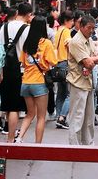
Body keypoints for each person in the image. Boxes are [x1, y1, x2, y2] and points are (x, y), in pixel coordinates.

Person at [18, 15, 58, 143]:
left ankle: (19, 138)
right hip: (40, 82)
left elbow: (23, 62)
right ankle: (37, 145)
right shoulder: (46, 43)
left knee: (29, 114)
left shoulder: (26, 44)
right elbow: (53, 61)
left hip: (25, 82)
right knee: (41, 117)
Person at [0, 3, 32, 143]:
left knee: (5, 105)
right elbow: (30, 52)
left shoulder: (4, 27)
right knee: (14, 108)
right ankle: (10, 139)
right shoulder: (28, 29)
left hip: (4, 69)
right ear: (28, 14)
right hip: (21, 70)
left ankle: (4, 131)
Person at [67, 14, 98, 145]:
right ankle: (74, 145)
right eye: (89, 28)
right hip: (78, 82)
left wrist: (94, 59)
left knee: (88, 117)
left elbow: (97, 57)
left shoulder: (89, 40)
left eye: (93, 28)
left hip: (88, 81)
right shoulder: (76, 41)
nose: (91, 31)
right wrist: (95, 59)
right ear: (81, 26)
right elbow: (89, 62)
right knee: (77, 116)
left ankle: (87, 143)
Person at [54, 9, 73, 129]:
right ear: (67, 21)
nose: (72, 23)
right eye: (71, 21)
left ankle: (58, 116)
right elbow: (70, 47)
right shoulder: (66, 31)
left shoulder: (58, 31)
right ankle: (62, 117)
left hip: (58, 64)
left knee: (60, 93)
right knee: (70, 94)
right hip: (65, 63)